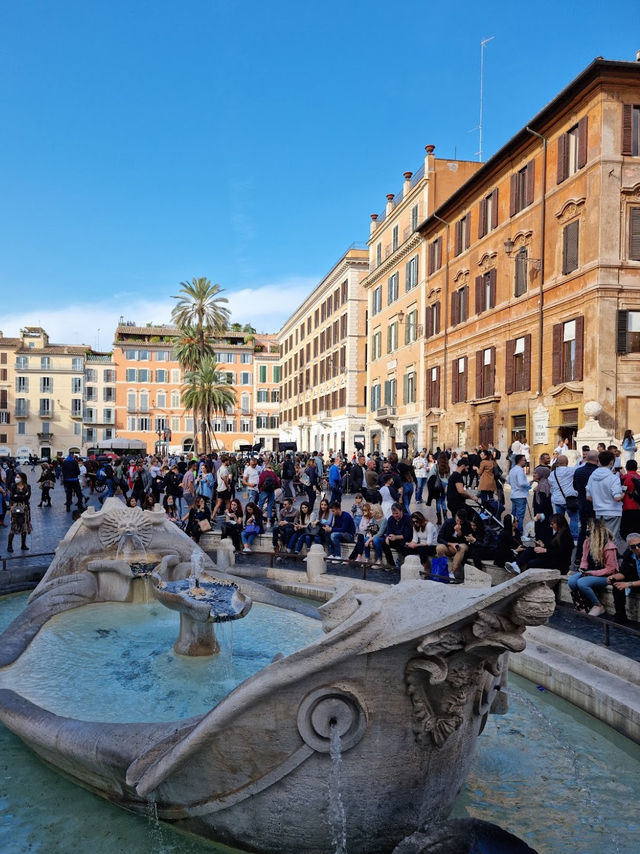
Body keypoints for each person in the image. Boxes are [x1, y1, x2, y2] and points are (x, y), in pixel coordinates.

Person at [568, 519, 619, 616]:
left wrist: (591, 573)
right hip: (590, 572)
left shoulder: (609, 546)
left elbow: (610, 569)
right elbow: (584, 559)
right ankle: (582, 605)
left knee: (582, 582)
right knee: (572, 581)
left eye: (589, 529)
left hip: (607, 576)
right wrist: (583, 568)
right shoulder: (587, 542)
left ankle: (598, 606)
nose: (587, 531)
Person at [505, 513, 574, 574]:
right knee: (530, 550)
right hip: (552, 557)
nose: (551, 526)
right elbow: (552, 547)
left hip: (559, 562)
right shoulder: (558, 533)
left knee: (532, 563)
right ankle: (516, 564)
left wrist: (545, 550)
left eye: (552, 524)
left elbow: (562, 552)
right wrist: (543, 545)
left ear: (559, 523)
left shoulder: (566, 535)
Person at [585, 451, 624, 550]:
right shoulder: (613, 478)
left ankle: (600, 559)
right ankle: (611, 561)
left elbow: (588, 497)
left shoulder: (592, 477)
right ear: (611, 462)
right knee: (612, 538)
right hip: (613, 511)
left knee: (600, 538)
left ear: (599, 461)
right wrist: (624, 492)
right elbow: (617, 497)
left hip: (598, 511)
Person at [572, 450, 598, 567]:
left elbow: (575, 486)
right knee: (596, 531)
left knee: (583, 530)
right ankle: (592, 557)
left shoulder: (578, 471)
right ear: (597, 460)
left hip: (582, 503)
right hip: (594, 504)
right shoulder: (597, 472)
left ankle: (579, 556)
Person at [609, 532, 640, 624]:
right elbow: (624, 573)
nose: (637, 548)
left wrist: (628, 584)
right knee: (616, 583)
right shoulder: (628, 555)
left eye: (639, 545)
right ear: (630, 548)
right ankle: (620, 615)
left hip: (635, 582)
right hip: (635, 581)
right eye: (634, 547)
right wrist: (613, 577)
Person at [373, 502, 412, 570]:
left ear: (401, 511)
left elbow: (407, 535)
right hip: (394, 538)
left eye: (396, 513)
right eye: (393, 513)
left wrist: (396, 537)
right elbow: (389, 531)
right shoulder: (391, 519)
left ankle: (404, 564)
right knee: (384, 543)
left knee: (404, 546)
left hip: (403, 538)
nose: (395, 515)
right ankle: (391, 564)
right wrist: (387, 537)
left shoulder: (407, 518)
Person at [435, 509, 473, 580]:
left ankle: (452, 572)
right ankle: (443, 570)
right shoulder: (448, 522)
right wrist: (450, 544)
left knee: (461, 547)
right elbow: (439, 538)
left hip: (461, 546)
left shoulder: (467, 525)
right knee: (439, 548)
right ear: (456, 516)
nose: (459, 522)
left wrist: (460, 533)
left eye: (461, 521)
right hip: (449, 546)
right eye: (458, 520)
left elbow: (468, 541)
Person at [549, 455, 580, 540]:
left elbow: (551, 486)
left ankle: (560, 536)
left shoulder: (552, 474)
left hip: (557, 500)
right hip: (569, 499)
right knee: (574, 519)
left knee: (558, 520)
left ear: (558, 463)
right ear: (567, 462)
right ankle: (575, 538)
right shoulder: (571, 470)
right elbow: (579, 470)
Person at [7, 472, 32, 552]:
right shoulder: (13, 486)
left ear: (22, 478)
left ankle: (23, 545)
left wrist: (18, 496)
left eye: (18, 477)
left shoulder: (28, 486)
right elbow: (12, 497)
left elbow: (27, 497)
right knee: (14, 526)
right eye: (16, 477)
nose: (16, 478)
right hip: (15, 508)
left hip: (25, 508)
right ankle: (9, 545)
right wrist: (22, 496)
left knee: (24, 526)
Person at [507, 454, 530, 533]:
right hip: (520, 495)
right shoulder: (520, 470)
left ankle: (512, 532)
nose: (525, 462)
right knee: (519, 516)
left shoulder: (512, 469)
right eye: (524, 460)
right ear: (520, 461)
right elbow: (521, 483)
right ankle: (519, 533)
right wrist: (528, 484)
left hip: (514, 495)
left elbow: (509, 481)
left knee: (514, 516)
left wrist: (514, 486)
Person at [620, 459, 640, 538]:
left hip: (626, 505)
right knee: (637, 529)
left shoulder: (625, 477)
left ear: (626, 467)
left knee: (627, 530)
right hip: (638, 506)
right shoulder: (638, 477)